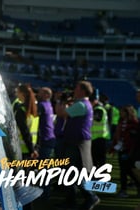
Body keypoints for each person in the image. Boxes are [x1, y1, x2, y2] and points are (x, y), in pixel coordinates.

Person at [55, 80, 100, 210]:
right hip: (78, 141)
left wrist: (60, 101)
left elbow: (61, 114)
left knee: (72, 172)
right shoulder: (83, 104)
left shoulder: (81, 105)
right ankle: (74, 200)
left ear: (83, 91)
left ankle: (90, 197)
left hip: (77, 143)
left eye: (76, 88)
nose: (74, 90)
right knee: (72, 173)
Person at [111, 105, 140, 198]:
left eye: (123, 111)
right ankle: (124, 190)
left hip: (130, 150)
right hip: (122, 149)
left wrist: (131, 150)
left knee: (130, 170)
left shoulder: (134, 123)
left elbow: (135, 139)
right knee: (123, 171)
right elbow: (117, 135)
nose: (120, 113)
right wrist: (114, 147)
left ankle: (132, 188)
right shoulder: (121, 122)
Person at [36, 86, 56, 199]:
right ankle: (45, 190)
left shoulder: (42, 105)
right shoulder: (49, 105)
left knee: (43, 167)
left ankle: (44, 192)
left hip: (45, 139)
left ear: (47, 95)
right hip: (49, 138)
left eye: (41, 93)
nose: (38, 94)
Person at [90, 93, 110, 168]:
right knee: (98, 160)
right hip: (98, 137)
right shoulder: (97, 108)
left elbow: (97, 118)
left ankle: (100, 176)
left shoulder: (98, 109)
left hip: (99, 138)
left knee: (99, 160)